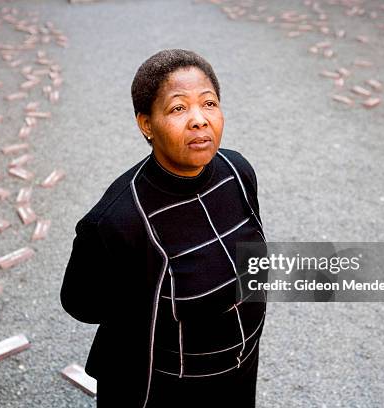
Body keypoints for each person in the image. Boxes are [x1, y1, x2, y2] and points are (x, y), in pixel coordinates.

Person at [60, 49, 267, 408]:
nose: (200, 120)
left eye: (209, 103)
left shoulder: (237, 171)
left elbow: (252, 258)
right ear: (146, 124)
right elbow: (81, 304)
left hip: (239, 372)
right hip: (160, 389)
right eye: (178, 108)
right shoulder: (116, 220)